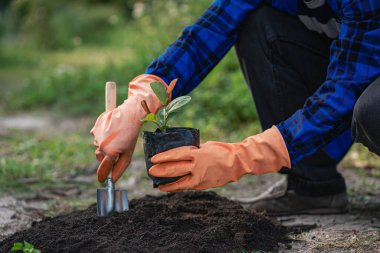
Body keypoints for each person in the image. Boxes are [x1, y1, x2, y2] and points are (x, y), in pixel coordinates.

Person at [91, 0, 380, 215]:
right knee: (260, 23)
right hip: (354, 62)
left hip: (369, 80)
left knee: (373, 111)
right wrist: (138, 103)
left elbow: (347, 89)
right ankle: (313, 186)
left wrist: (240, 157)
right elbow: (209, 32)